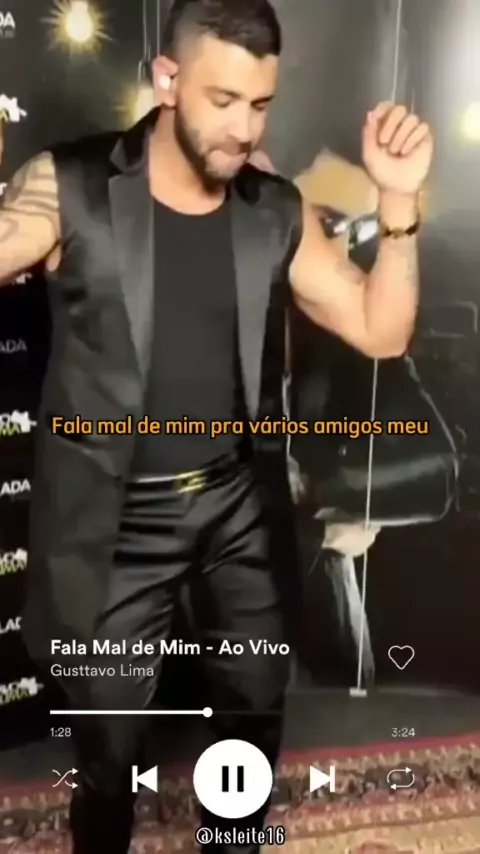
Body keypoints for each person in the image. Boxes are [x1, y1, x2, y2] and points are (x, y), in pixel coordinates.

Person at [0, 0, 432, 851]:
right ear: (167, 80)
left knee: (249, 732)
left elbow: (381, 330)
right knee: (107, 761)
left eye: (260, 104)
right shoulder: (70, 185)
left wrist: (397, 201)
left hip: (238, 511)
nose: (244, 128)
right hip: (115, 523)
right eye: (223, 100)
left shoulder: (273, 210)